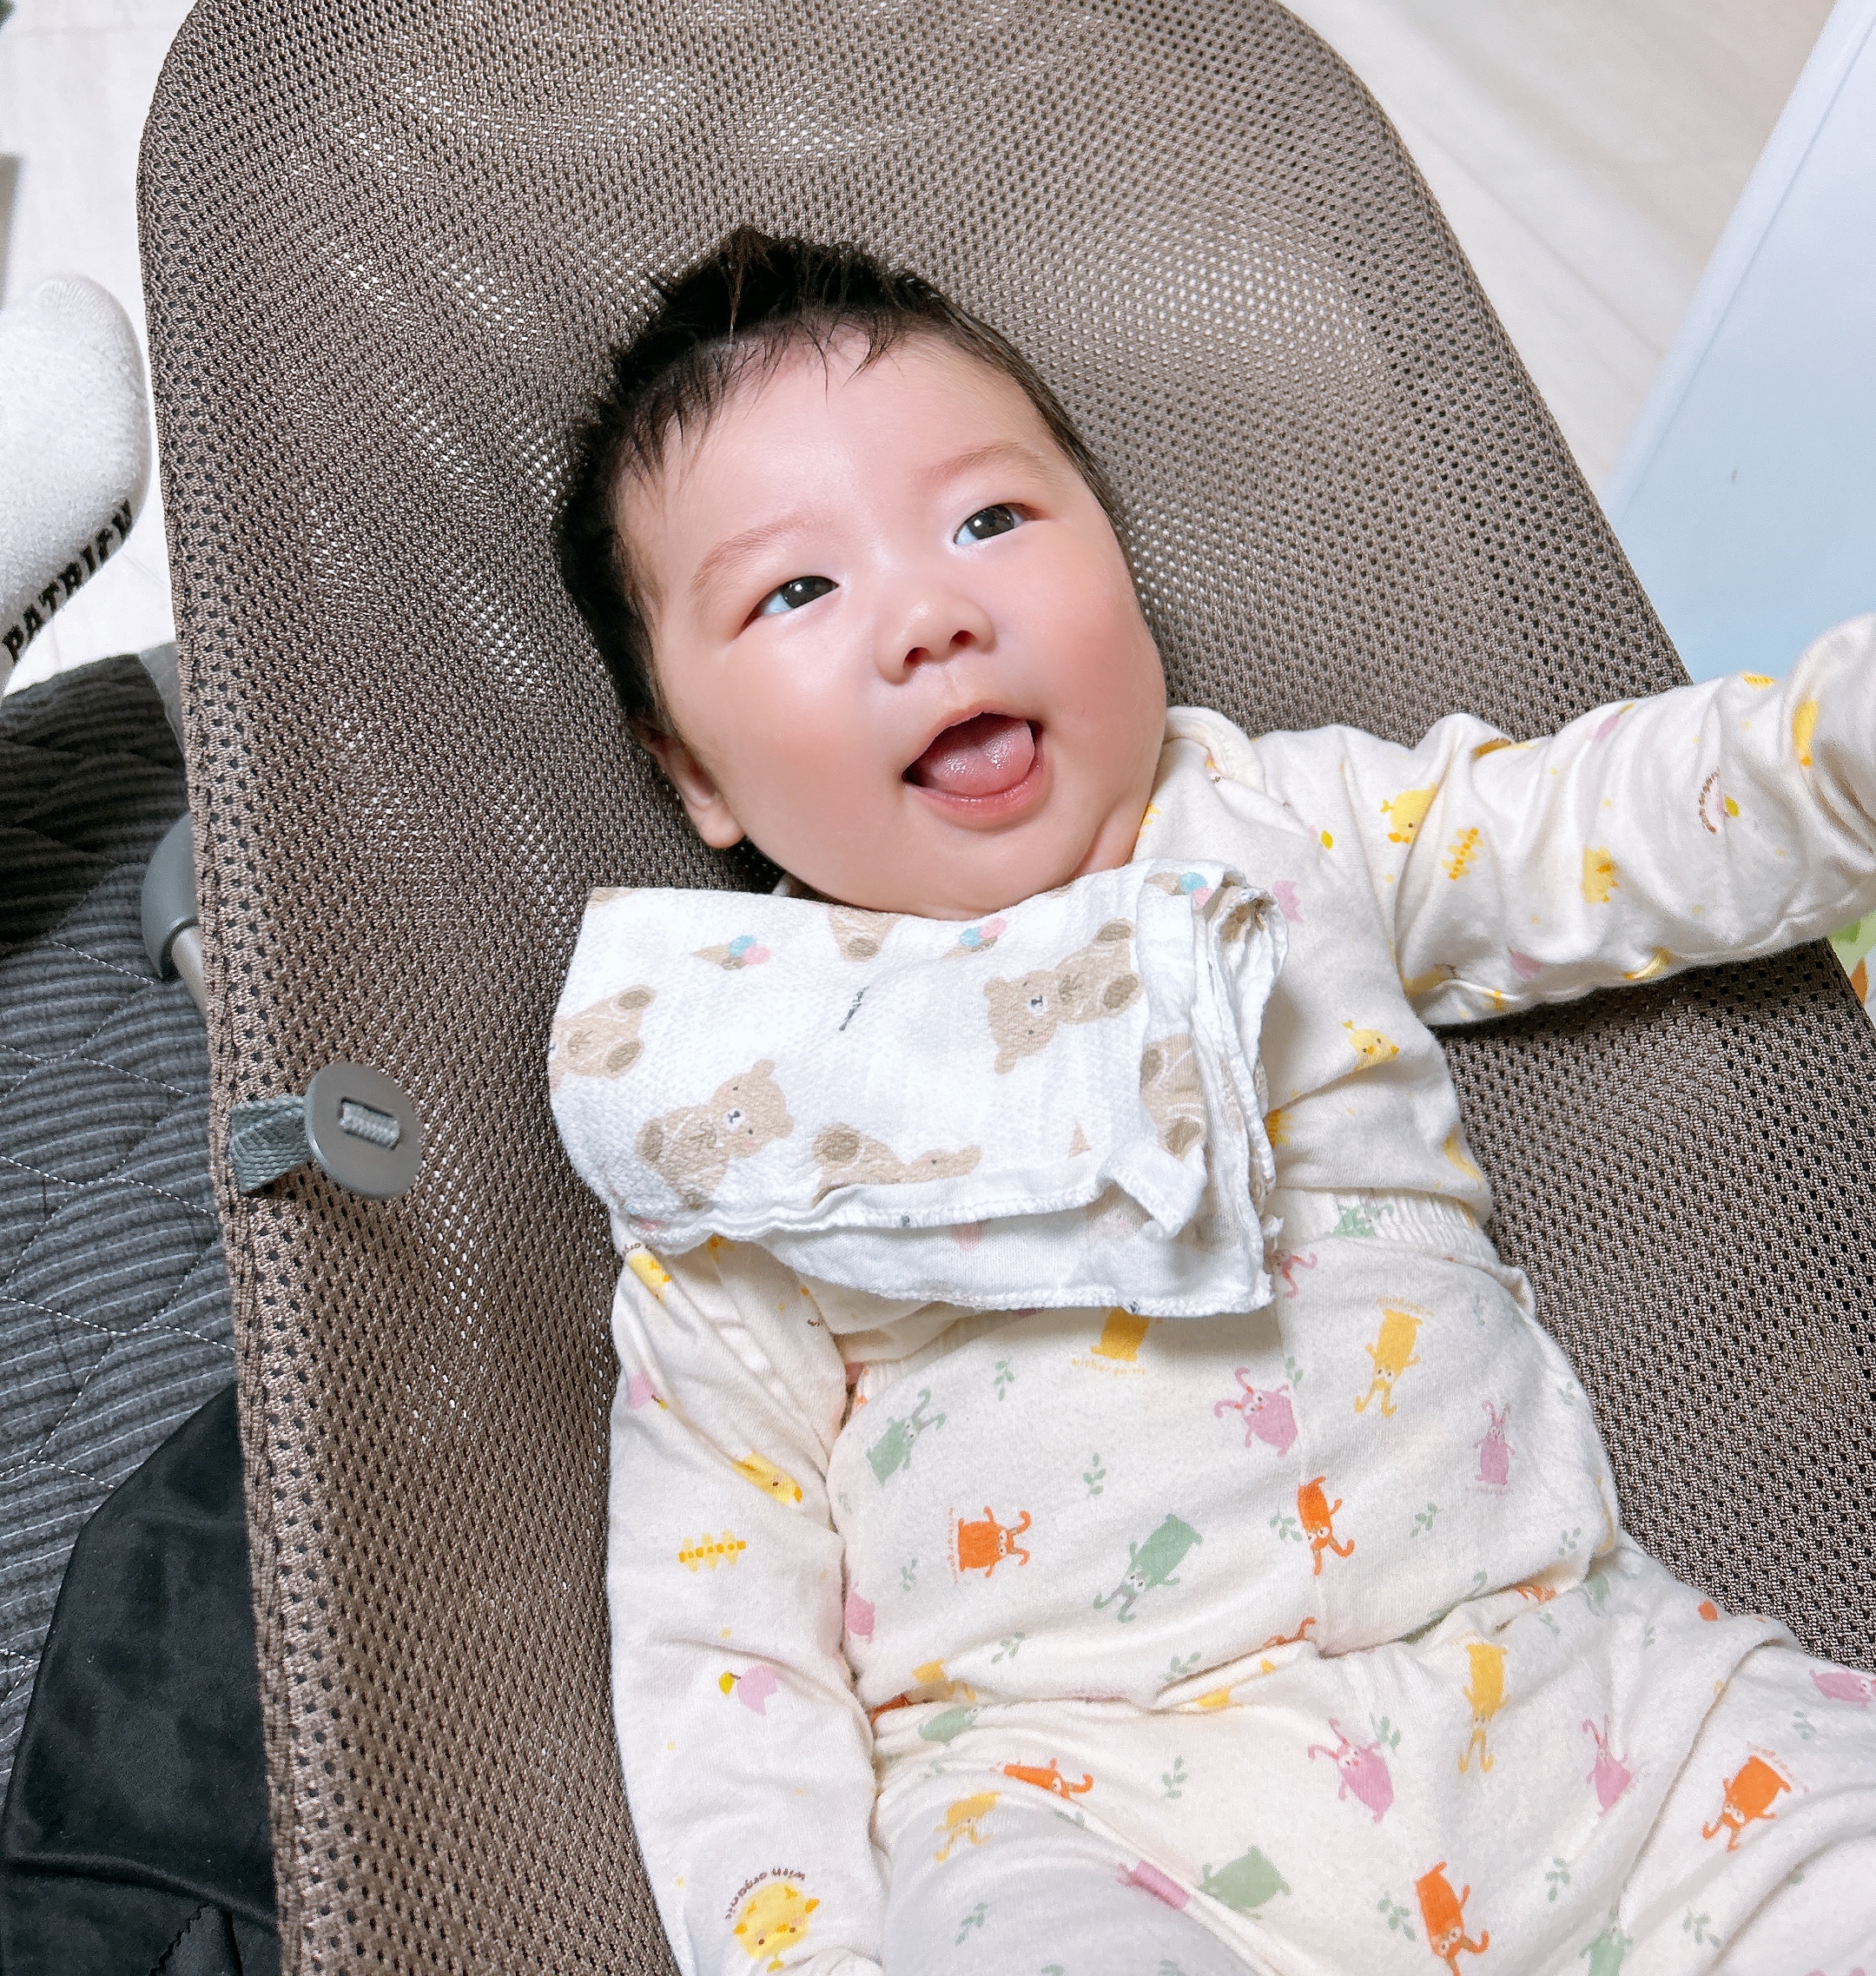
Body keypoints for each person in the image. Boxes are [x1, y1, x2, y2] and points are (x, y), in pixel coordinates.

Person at [552, 227, 1876, 1976]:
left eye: (989, 520)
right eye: (797, 592)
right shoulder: (737, 1087)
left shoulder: (1283, 821)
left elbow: (1606, 824)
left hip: (1590, 1711)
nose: (934, 614)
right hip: (1087, 1806)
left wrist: (1838, 749)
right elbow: (718, 1627)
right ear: (694, 773)